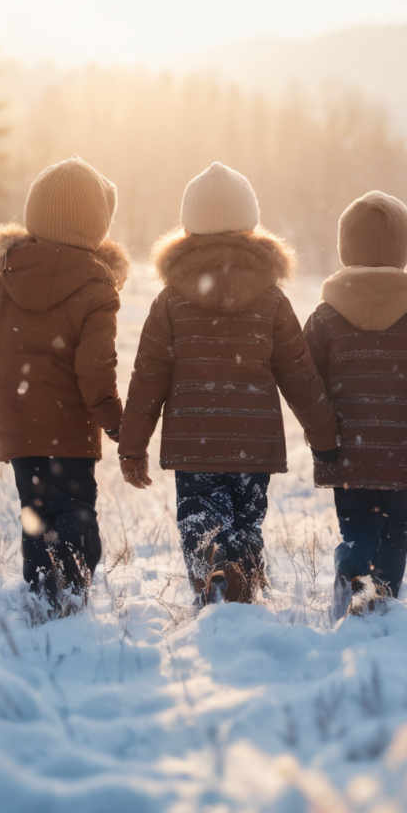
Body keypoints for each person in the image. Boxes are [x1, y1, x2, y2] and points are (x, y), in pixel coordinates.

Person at [119, 162, 340, 606]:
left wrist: (133, 445)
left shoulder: (171, 301)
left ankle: (214, 583)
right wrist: (325, 439)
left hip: (193, 440)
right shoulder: (271, 298)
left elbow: (148, 377)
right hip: (252, 442)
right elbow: (299, 374)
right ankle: (241, 584)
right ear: (250, 223)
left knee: (201, 519)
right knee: (246, 521)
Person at [0, 157, 127, 617]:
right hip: (70, 433)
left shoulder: (5, 281)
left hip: (20, 430)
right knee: (75, 509)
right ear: (95, 224)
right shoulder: (97, 286)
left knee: (35, 513)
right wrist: (114, 420)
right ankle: (72, 587)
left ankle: (41, 591)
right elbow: (96, 366)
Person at [305, 192, 407, 616]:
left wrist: (323, 432)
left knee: (355, 524)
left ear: (346, 247)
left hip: (347, 446)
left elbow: (307, 379)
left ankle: (354, 582)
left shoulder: (326, 316)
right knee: (396, 527)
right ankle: (382, 596)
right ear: (403, 249)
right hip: (402, 447)